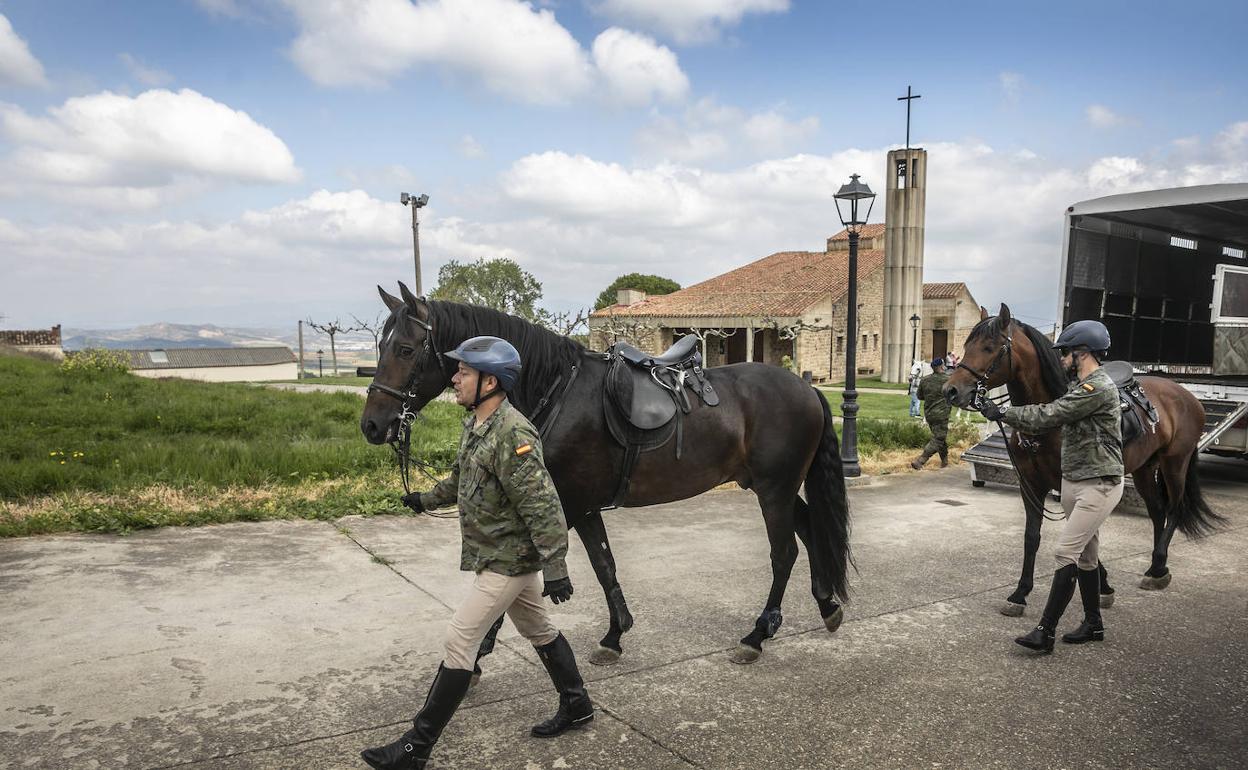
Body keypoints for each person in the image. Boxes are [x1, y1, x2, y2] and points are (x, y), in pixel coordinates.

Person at [361, 336, 593, 770]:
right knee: (539, 631)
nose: (455, 379)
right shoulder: (477, 424)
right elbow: (459, 478)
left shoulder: (513, 432)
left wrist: (556, 567)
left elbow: (542, 505)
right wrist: (426, 500)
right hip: (499, 555)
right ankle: (577, 704)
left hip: (509, 558)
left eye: (464, 372)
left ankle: (416, 747)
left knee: (460, 638)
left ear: (491, 381)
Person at [979, 320, 1123, 653]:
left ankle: (1044, 632)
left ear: (1082, 353)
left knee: (1065, 553)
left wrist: (1003, 412)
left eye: (1065, 353)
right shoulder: (1080, 386)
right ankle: (1093, 623)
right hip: (1075, 480)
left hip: (1097, 484)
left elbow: (1051, 414)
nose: (1060, 359)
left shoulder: (1097, 387)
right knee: (1087, 558)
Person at [911, 357, 951, 469]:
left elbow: (919, 396)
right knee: (939, 438)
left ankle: (945, 461)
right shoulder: (948, 379)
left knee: (939, 437)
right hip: (942, 414)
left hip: (929, 414)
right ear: (942, 366)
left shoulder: (925, 380)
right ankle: (921, 460)